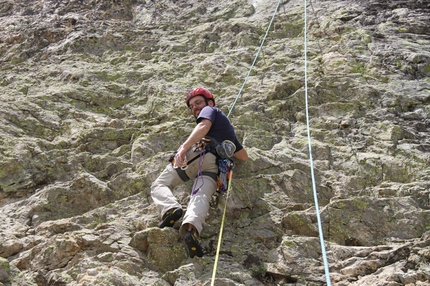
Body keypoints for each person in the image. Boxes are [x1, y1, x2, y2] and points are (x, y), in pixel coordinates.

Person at [150, 87, 248, 258]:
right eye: (192, 106)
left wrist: (183, 148)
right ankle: (191, 229)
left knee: (159, 184)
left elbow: (204, 125)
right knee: (200, 195)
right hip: (213, 166)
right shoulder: (227, 130)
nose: (195, 107)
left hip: (196, 154)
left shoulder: (211, 110)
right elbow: (243, 156)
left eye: (198, 102)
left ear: (209, 102)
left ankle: (171, 208)